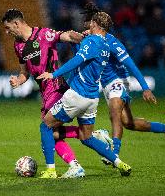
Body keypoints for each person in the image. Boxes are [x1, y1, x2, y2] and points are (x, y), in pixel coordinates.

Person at [37, 11, 132, 178]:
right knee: (86, 137)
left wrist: (54, 74)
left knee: (46, 125)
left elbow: (78, 59)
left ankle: (51, 170)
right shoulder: (106, 45)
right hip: (92, 99)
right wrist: (81, 41)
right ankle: (119, 163)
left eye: (91, 23)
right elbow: (85, 56)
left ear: (94, 24)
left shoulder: (92, 41)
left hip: (77, 95)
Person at [1, 9, 86, 178]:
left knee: (47, 128)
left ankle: (55, 167)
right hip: (45, 91)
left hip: (56, 86)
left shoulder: (44, 34)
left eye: (8, 27)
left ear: (16, 23)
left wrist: (88, 40)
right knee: (53, 133)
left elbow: (67, 36)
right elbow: (25, 72)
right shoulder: (18, 46)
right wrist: (18, 81)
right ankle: (75, 164)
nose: (6, 31)